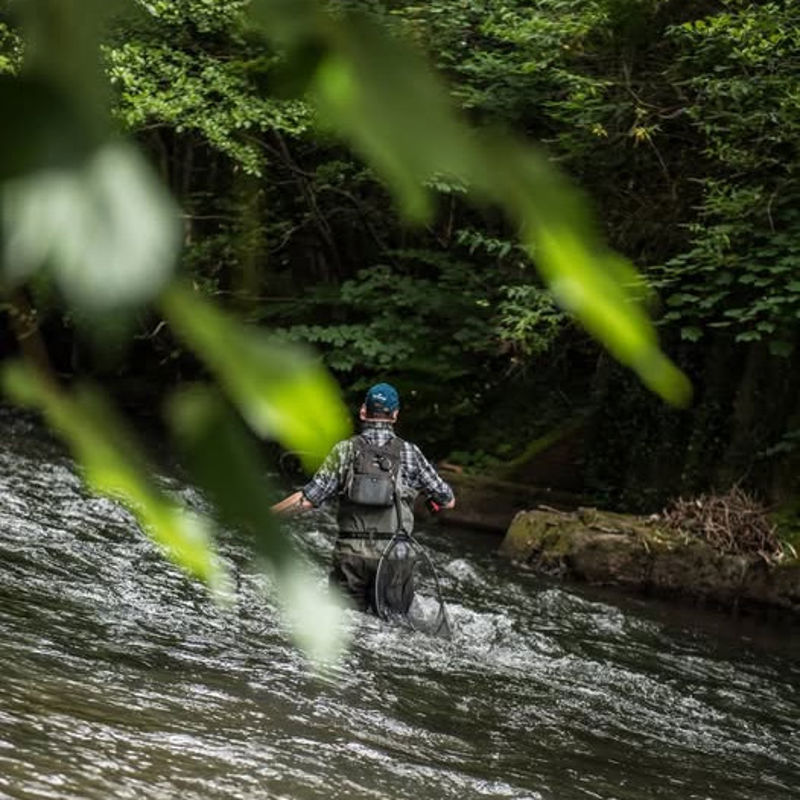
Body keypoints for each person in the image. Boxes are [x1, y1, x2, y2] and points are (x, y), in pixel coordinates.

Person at [271, 382, 455, 614]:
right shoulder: (410, 453)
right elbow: (447, 500)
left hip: (351, 556)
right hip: (395, 558)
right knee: (392, 632)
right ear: (395, 415)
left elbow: (307, 500)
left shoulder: (345, 450)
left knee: (347, 627)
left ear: (363, 411)